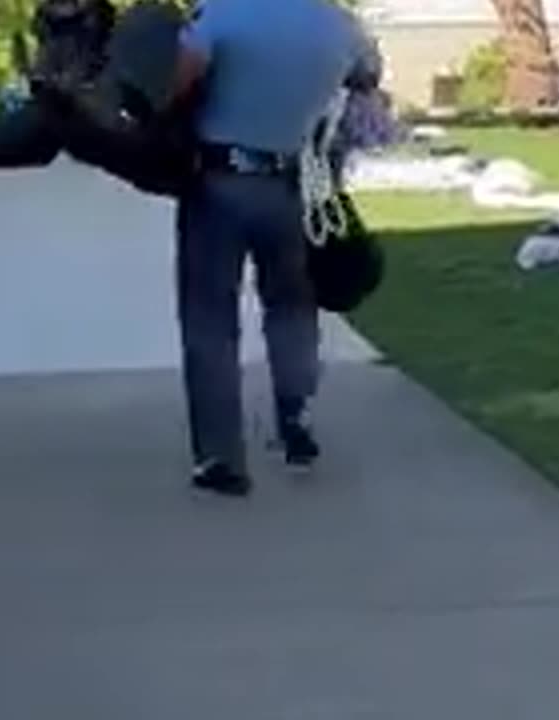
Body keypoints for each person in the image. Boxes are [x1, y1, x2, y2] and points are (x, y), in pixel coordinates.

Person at [170, 0, 379, 497]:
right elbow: (368, 73)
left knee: (210, 319)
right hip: (289, 185)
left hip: (217, 182)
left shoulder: (221, 15)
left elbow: (178, 84)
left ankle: (220, 455)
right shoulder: (336, 23)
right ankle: (296, 417)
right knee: (291, 306)